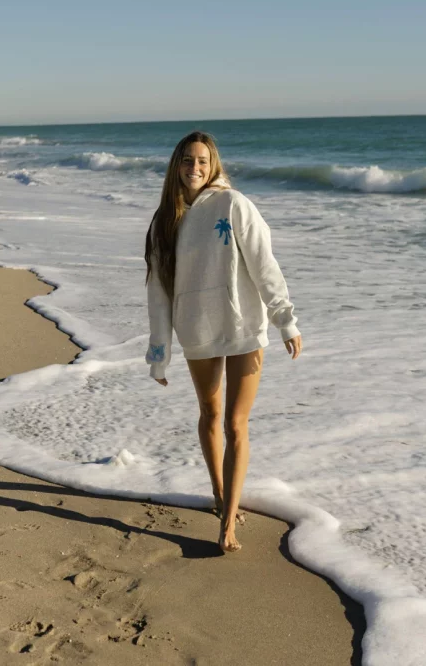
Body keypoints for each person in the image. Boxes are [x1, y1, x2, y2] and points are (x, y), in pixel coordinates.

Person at [144, 131, 302, 553]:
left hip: (245, 328)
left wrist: (285, 319)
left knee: (236, 422)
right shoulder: (165, 221)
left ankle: (228, 522)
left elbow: (264, 264)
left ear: (213, 165)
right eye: (187, 160)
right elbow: (157, 292)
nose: (194, 168)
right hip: (196, 330)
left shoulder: (234, 205)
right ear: (175, 166)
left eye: (202, 161)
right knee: (210, 414)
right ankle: (219, 495)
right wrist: (159, 354)